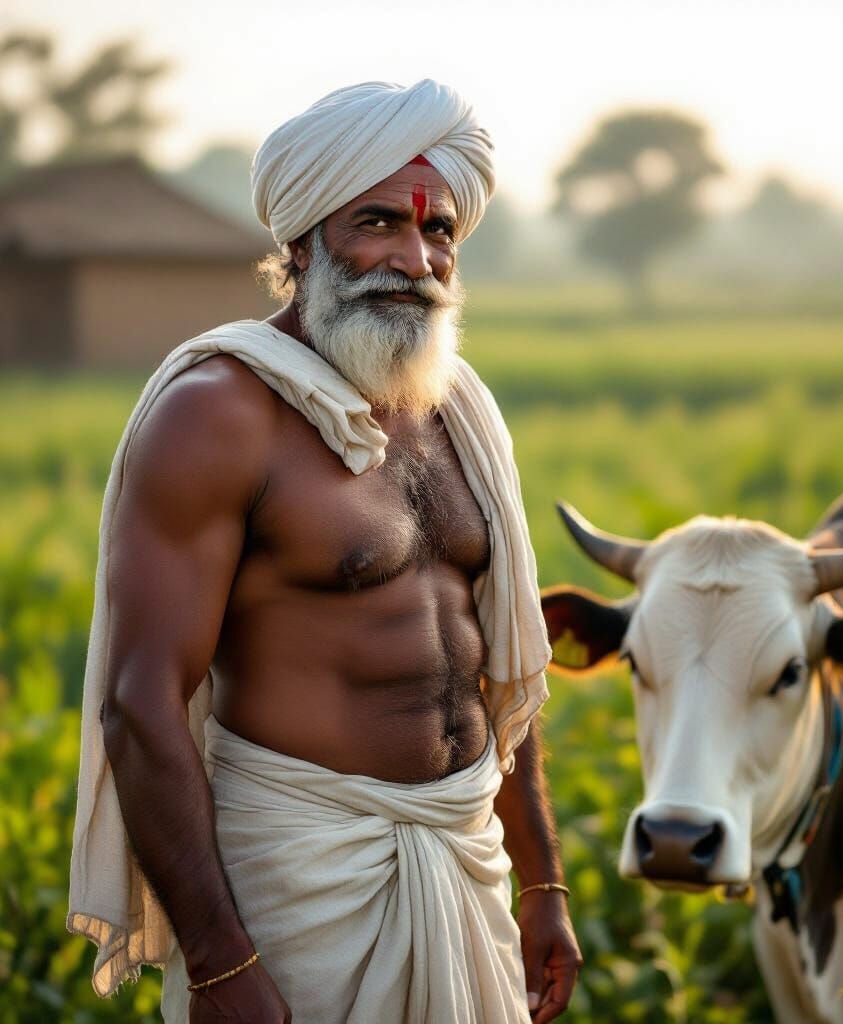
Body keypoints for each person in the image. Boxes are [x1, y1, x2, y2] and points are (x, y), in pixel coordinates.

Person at [66, 79, 582, 1024]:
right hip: (299, 890)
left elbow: (500, 664)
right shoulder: (217, 414)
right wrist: (223, 965)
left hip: (464, 862)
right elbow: (140, 704)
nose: (413, 257)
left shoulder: (457, 406)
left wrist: (542, 884)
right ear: (301, 244)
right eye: (377, 223)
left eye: (439, 235)